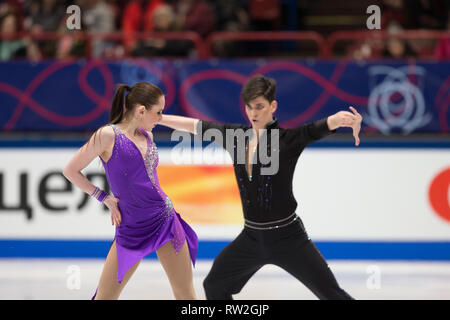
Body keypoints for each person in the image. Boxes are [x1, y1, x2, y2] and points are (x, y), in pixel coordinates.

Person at [158, 74, 362, 300]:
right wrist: (158, 117)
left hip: (288, 238)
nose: (253, 113)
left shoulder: (287, 140)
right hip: (252, 238)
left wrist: (340, 119)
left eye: (259, 106)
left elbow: (317, 128)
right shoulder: (235, 136)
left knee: (332, 294)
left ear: (273, 106)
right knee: (215, 285)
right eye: (249, 107)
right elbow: (196, 126)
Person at [63, 82, 198, 300]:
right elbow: (70, 170)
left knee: (186, 295)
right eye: (159, 112)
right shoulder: (106, 135)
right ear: (141, 111)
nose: (161, 118)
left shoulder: (148, 135)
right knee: (105, 297)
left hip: (164, 220)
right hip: (130, 228)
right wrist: (104, 197)